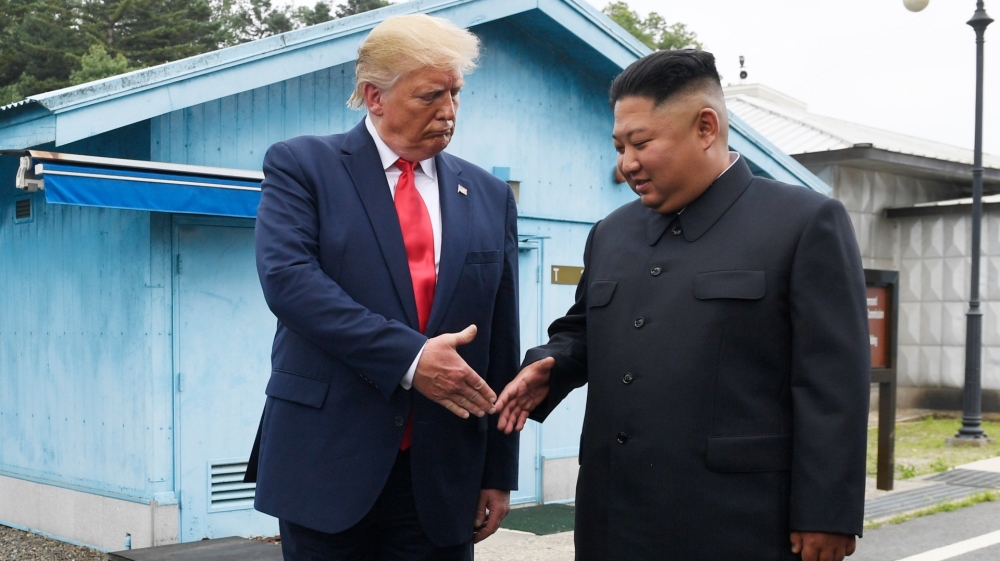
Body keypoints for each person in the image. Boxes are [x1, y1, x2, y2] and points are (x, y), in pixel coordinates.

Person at [495, 49, 870, 561]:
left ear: (706, 127)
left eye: (641, 143)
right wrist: (552, 364)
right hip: (614, 518)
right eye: (619, 145)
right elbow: (583, 328)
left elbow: (832, 381)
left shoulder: (803, 222)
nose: (626, 163)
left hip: (739, 522)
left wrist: (827, 511)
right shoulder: (612, 232)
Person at [246, 14, 520, 561]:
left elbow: (499, 336)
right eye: (429, 95)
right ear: (374, 96)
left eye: (456, 93)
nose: (448, 111)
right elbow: (290, 283)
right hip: (327, 463)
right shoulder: (303, 166)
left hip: (442, 474)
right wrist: (414, 358)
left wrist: (498, 469)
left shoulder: (489, 194)